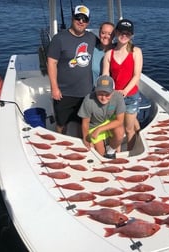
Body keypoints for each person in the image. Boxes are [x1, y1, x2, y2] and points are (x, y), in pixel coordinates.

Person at [47, 5, 96, 134]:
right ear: (72, 18)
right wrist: (54, 88)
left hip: (86, 92)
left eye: (84, 19)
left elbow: (107, 45)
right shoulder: (59, 39)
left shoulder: (91, 38)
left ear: (88, 22)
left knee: (83, 124)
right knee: (61, 124)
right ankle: (60, 146)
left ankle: (82, 148)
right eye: (78, 17)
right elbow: (51, 63)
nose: (81, 21)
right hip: (64, 93)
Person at [102, 19, 143, 151]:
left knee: (129, 129)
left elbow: (137, 75)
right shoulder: (109, 54)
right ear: (116, 32)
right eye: (121, 32)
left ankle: (130, 153)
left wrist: (125, 91)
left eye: (128, 33)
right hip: (114, 98)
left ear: (131, 35)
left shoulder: (136, 52)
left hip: (131, 97)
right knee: (116, 129)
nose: (124, 35)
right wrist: (107, 92)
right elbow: (105, 77)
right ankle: (117, 156)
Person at [78, 75, 125, 157]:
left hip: (108, 122)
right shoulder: (88, 99)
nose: (103, 98)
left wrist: (100, 129)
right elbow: (85, 123)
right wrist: (87, 140)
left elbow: (120, 120)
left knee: (120, 132)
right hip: (94, 126)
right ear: (95, 91)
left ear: (113, 91)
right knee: (100, 154)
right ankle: (105, 149)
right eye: (100, 94)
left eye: (107, 94)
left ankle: (110, 152)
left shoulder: (118, 97)